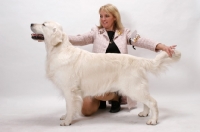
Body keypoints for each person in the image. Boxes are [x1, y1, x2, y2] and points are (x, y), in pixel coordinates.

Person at [33, 3, 176, 116]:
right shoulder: (96, 32)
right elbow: (79, 39)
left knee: (121, 88)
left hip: (120, 75)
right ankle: (105, 99)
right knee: (86, 111)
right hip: (97, 77)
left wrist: (162, 46)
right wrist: (51, 36)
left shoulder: (126, 33)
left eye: (106, 16)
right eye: (101, 16)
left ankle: (115, 98)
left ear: (115, 17)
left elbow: (143, 41)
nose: (103, 19)